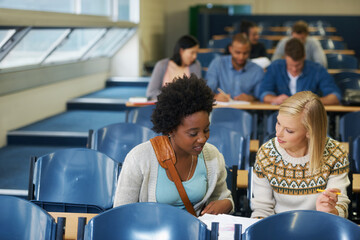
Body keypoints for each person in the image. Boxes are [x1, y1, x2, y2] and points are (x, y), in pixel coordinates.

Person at [114, 74, 234, 216]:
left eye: (206, 130)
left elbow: (224, 199)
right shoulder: (140, 158)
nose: (202, 139)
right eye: (193, 133)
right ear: (171, 129)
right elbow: (120, 215)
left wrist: (227, 204)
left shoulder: (212, 156)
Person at [251, 91, 350, 219]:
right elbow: (262, 210)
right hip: (278, 229)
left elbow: (341, 207)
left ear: (309, 131)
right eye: (278, 123)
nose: (278, 134)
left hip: (320, 227)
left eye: (289, 130)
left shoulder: (335, 153)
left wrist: (330, 211)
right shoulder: (266, 153)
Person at [259, 38, 341, 105]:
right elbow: (263, 93)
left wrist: (312, 101)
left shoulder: (317, 70)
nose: (294, 69)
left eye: (298, 65)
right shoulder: (275, 67)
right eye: (290, 65)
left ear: (304, 57)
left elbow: (335, 96)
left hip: (308, 117)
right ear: (285, 57)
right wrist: (275, 99)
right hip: (280, 115)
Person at [206, 33, 264, 102]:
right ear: (230, 49)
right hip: (221, 109)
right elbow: (207, 90)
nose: (241, 57)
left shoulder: (257, 70)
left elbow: (261, 96)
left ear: (250, 51)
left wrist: (252, 98)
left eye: (245, 53)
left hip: (247, 110)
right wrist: (215, 97)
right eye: (237, 52)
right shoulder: (217, 63)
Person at [146, 35, 201, 100]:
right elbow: (151, 92)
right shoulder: (161, 65)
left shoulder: (195, 65)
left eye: (196, 53)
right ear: (181, 51)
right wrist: (173, 97)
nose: (195, 56)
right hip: (165, 106)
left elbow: (198, 91)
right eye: (192, 53)